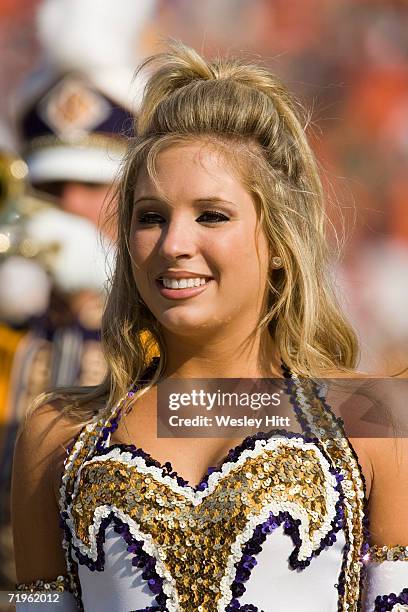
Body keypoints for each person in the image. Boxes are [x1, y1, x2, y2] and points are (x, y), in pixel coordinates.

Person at [11, 42, 408, 611]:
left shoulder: (373, 423)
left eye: (212, 215)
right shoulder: (57, 434)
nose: (174, 245)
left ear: (278, 238)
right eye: (150, 217)